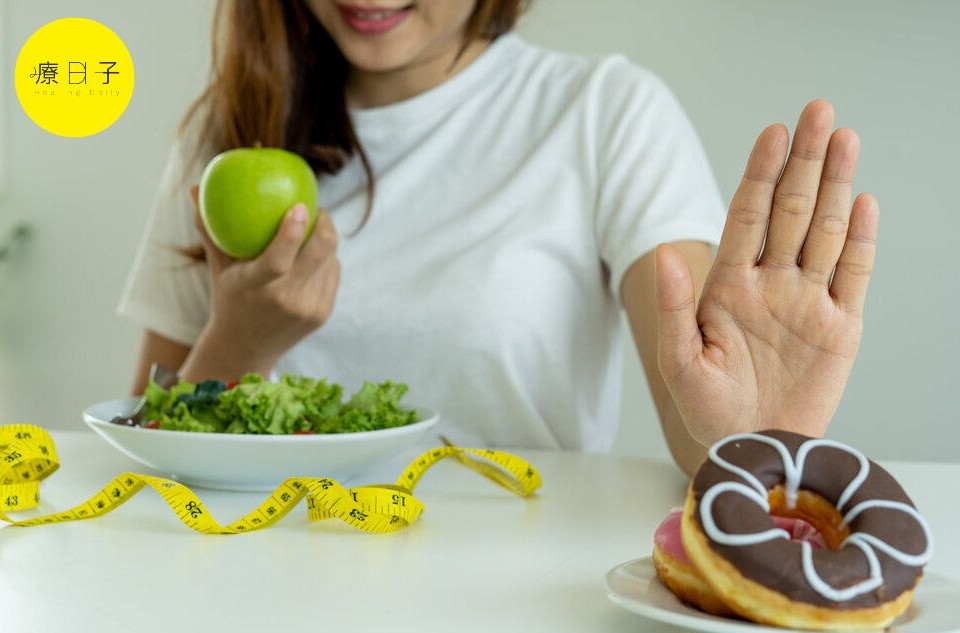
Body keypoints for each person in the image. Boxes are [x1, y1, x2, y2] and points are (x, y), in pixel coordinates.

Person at [118, 0, 878, 478]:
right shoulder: (228, 133)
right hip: (252, 595)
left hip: (513, 606)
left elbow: (703, 432)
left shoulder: (603, 112)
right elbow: (149, 444)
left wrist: (752, 435)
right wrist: (240, 342)